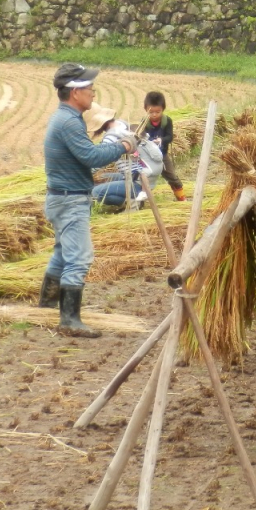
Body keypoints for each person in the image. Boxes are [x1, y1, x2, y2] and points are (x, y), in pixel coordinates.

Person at [41, 62, 135, 338]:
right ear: (74, 92)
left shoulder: (64, 118)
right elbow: (92, 159)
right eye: (89, 87)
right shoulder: (69, 122)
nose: (93, 92)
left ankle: (46, 306)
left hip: (62, 198)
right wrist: (123, 145)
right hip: (70, 202)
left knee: (62, 253)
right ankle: (69, 319)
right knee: (80, 258)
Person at [85, 104, 164, 210]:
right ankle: (133, 195)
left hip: (139, 181)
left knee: (96, 192)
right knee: (103, 177)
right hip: (145, 177)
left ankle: (132, 201)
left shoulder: (112, 136)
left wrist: (83, 173)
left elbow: (99, 159)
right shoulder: (122, 125)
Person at [143, 91, 186, 202]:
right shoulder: (143, 123)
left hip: (163, 155)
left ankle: (181, 199)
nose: (154, 115)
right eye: (151, 112)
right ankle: (140, 202)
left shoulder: (167, 121)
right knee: (143, 179)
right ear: (145, 109)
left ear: (163, 109)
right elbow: (140, 139)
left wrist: (161, 140)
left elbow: (170, 137)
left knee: (172, 176)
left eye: (158, 112)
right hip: (148, 158)